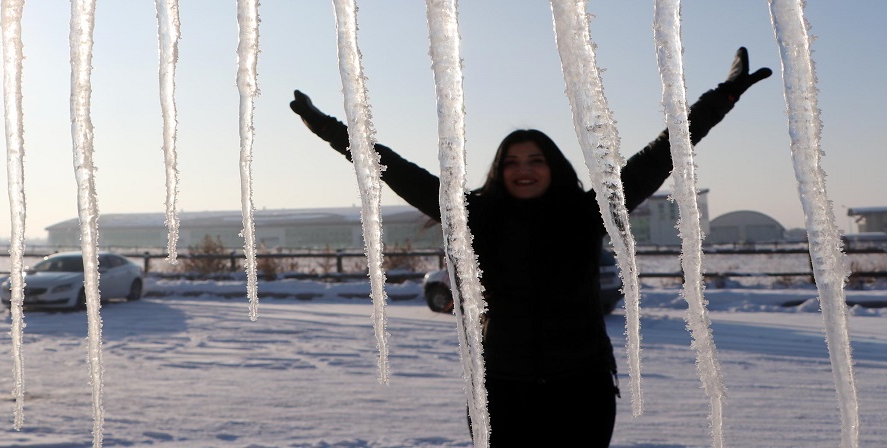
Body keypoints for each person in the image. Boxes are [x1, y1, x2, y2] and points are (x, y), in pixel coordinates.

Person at [290, 47, 771, 447]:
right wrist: (326, 127)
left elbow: (663, 152)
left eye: (535, 160)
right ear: (499, 170)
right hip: (501, 389)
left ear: (553, 166)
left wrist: (724, 95)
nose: (524, 169)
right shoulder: (472, 214)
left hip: (581, 388)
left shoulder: (589, 212)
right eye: (512, 161)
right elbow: (391, 167)